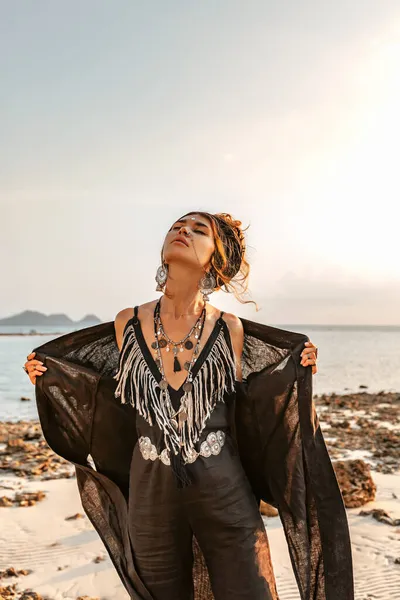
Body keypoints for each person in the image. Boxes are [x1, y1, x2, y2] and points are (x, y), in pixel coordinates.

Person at [24, 211, 353, 600]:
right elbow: (105, 389)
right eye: (177, 226)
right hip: (150, 490)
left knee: (252, 590)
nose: (183, 231)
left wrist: (293, 370)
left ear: (216, 259)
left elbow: (248, 401)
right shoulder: (127, 322)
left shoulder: (229, 327)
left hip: (224, 485)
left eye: (199, 230)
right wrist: (52, 376)